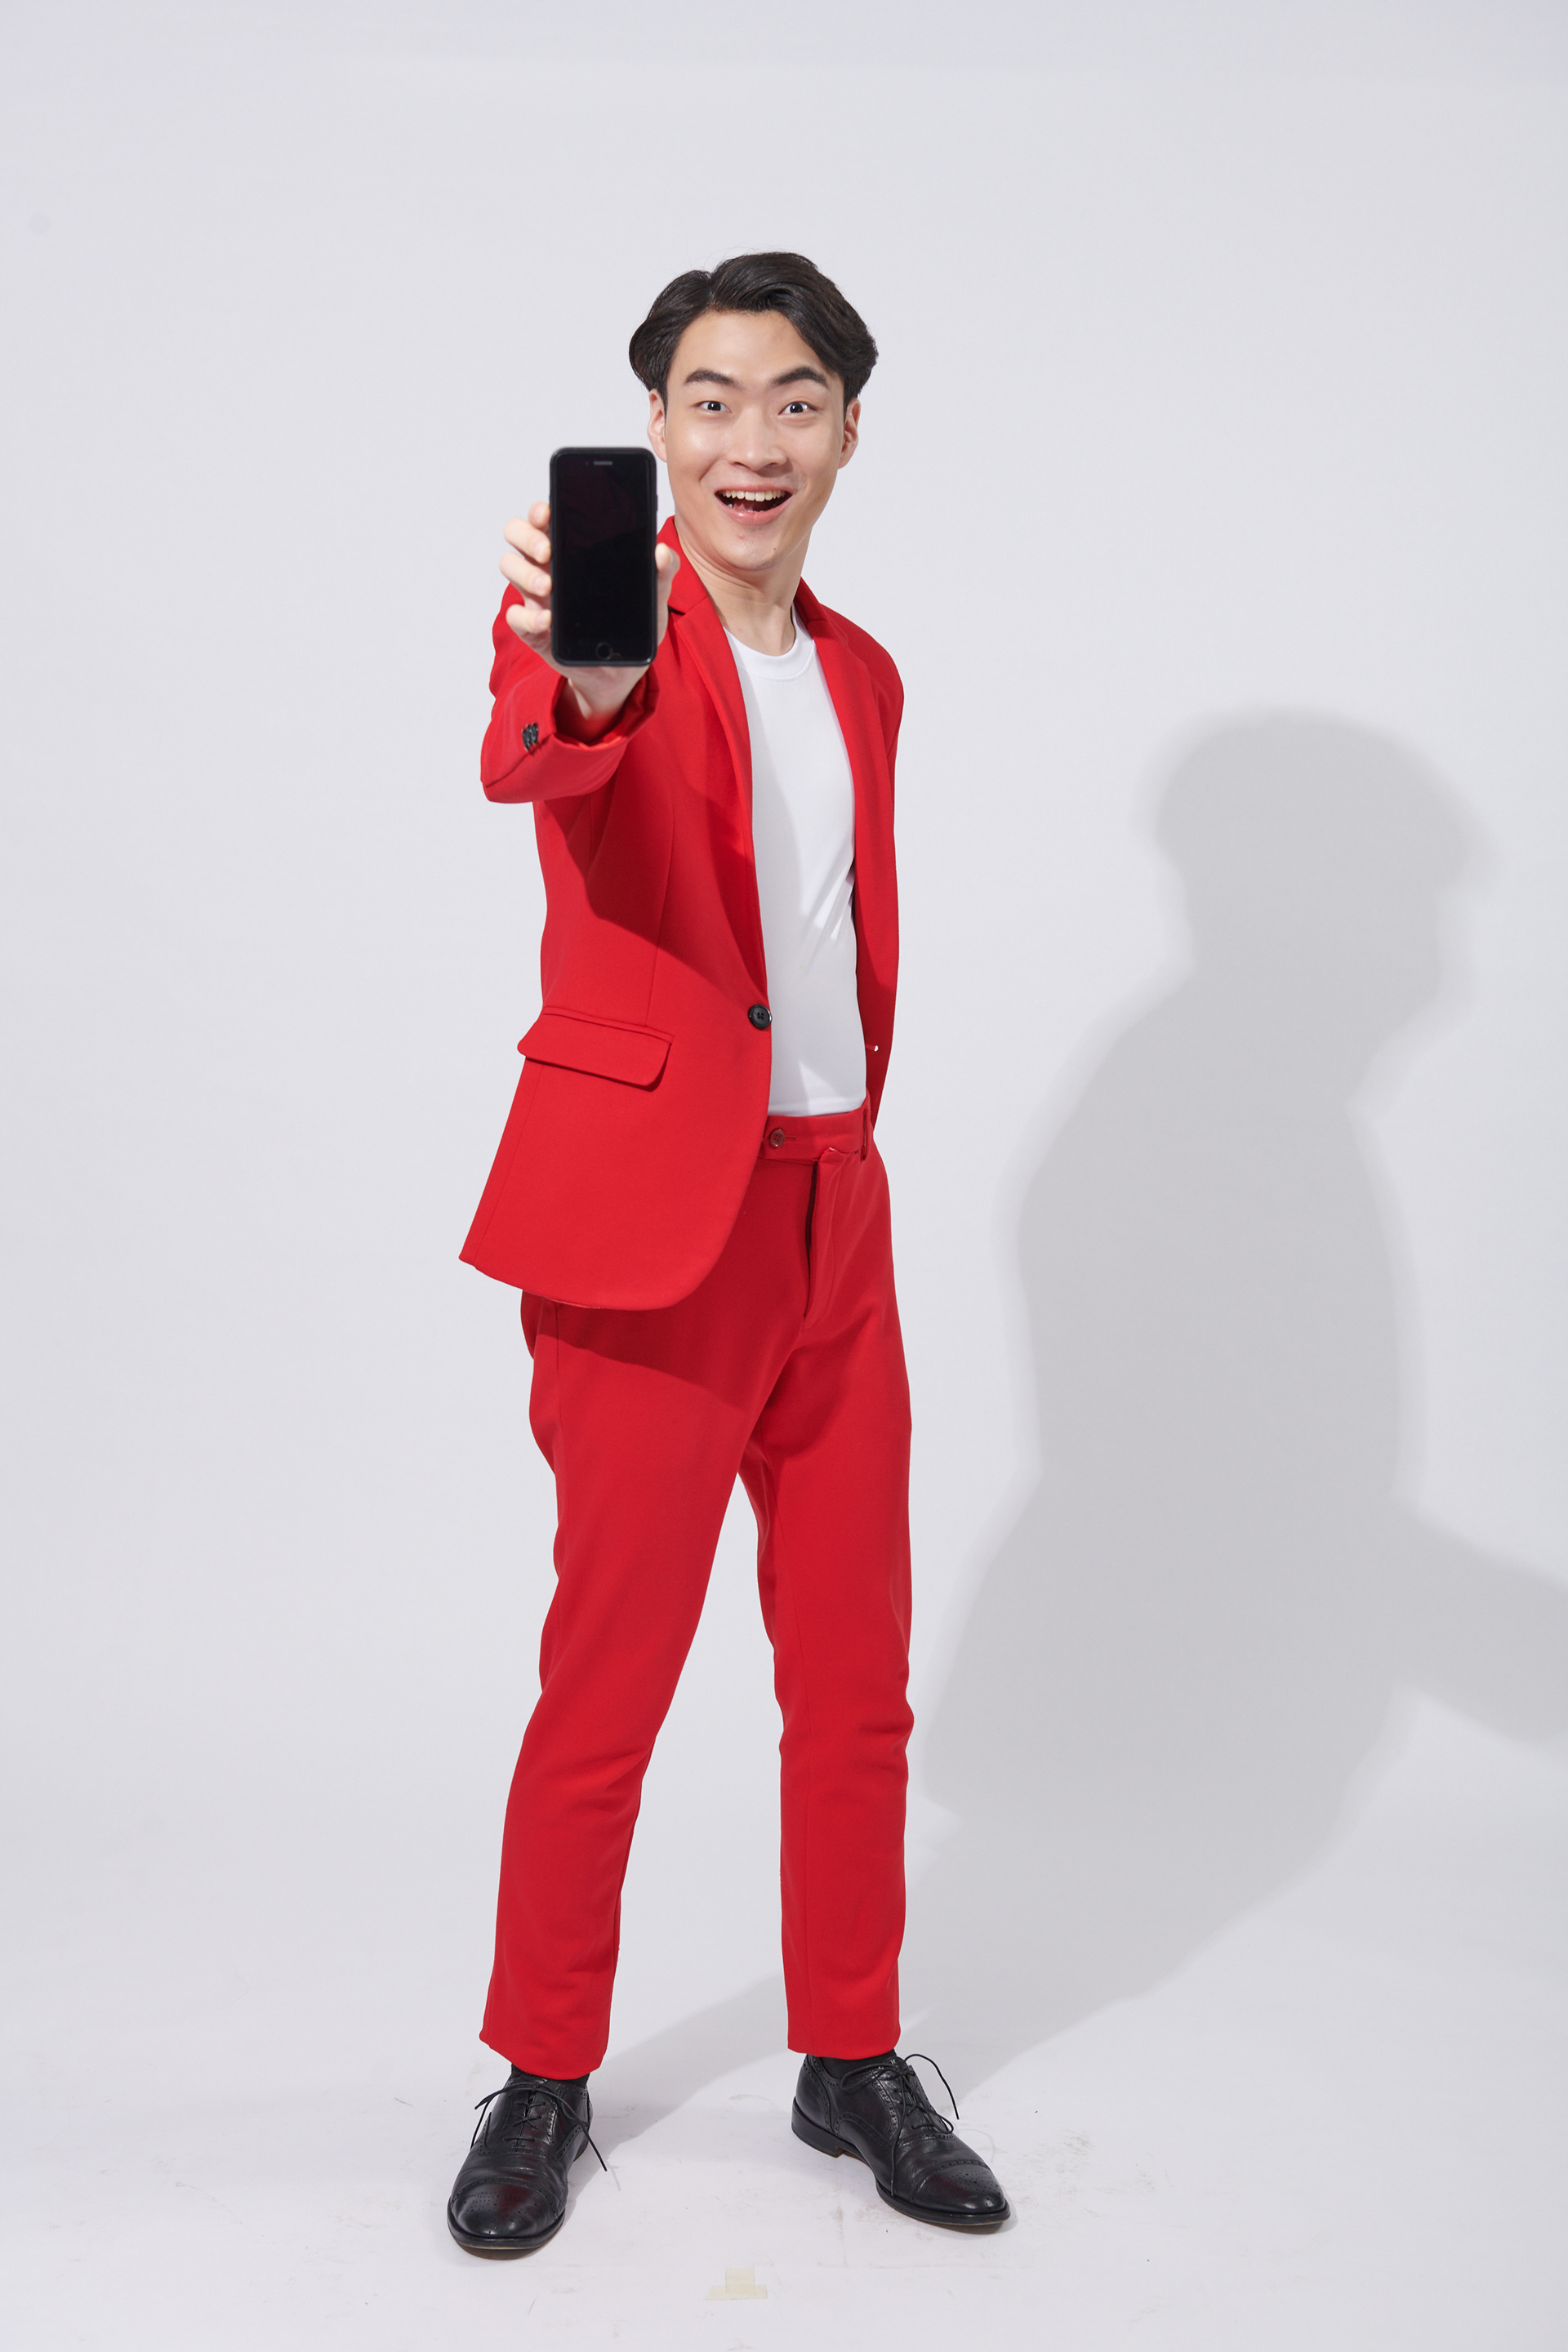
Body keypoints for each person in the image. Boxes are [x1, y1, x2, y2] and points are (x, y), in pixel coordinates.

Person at [447, 252, 1009, 2256]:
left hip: (840, 1212)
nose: (749, 441)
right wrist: (586, 675)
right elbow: (546, 746)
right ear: (655, 431)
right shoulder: (600, 625)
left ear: (848, 432)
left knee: (858, 1684)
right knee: (609, 1679)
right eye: (707, 399)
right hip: (655, 1237)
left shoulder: (864, 673)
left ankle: (849, 2053)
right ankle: (542, 2071)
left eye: (792, 401)